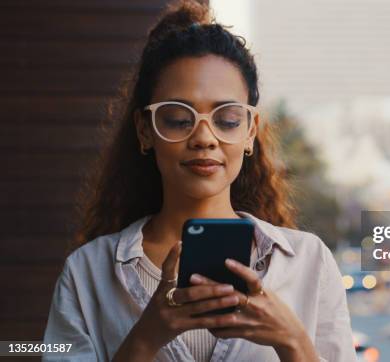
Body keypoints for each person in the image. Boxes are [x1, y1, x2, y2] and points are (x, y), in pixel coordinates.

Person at [42, 1, 357, 361]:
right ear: (146, 130)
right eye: (178, 119)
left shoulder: (309, 262)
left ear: (251, 132)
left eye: (227, 119)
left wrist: (293, 342)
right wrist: (144, 340)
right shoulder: (87, 273)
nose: (204, 138)